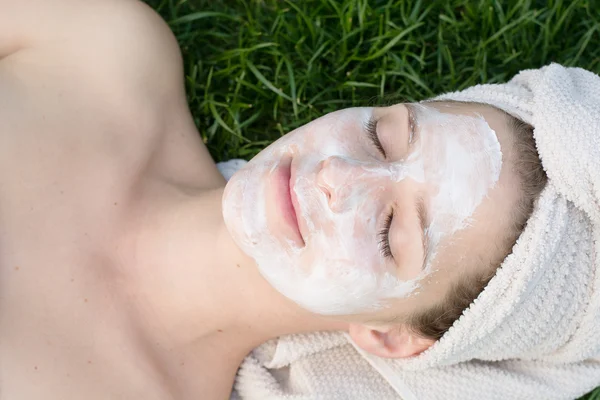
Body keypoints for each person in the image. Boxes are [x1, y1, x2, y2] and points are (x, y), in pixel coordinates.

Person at [1, 1, 598, 399]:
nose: (338, 174)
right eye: (383, 136)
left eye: (392, 231)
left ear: (392, 338)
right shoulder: (105, 50)